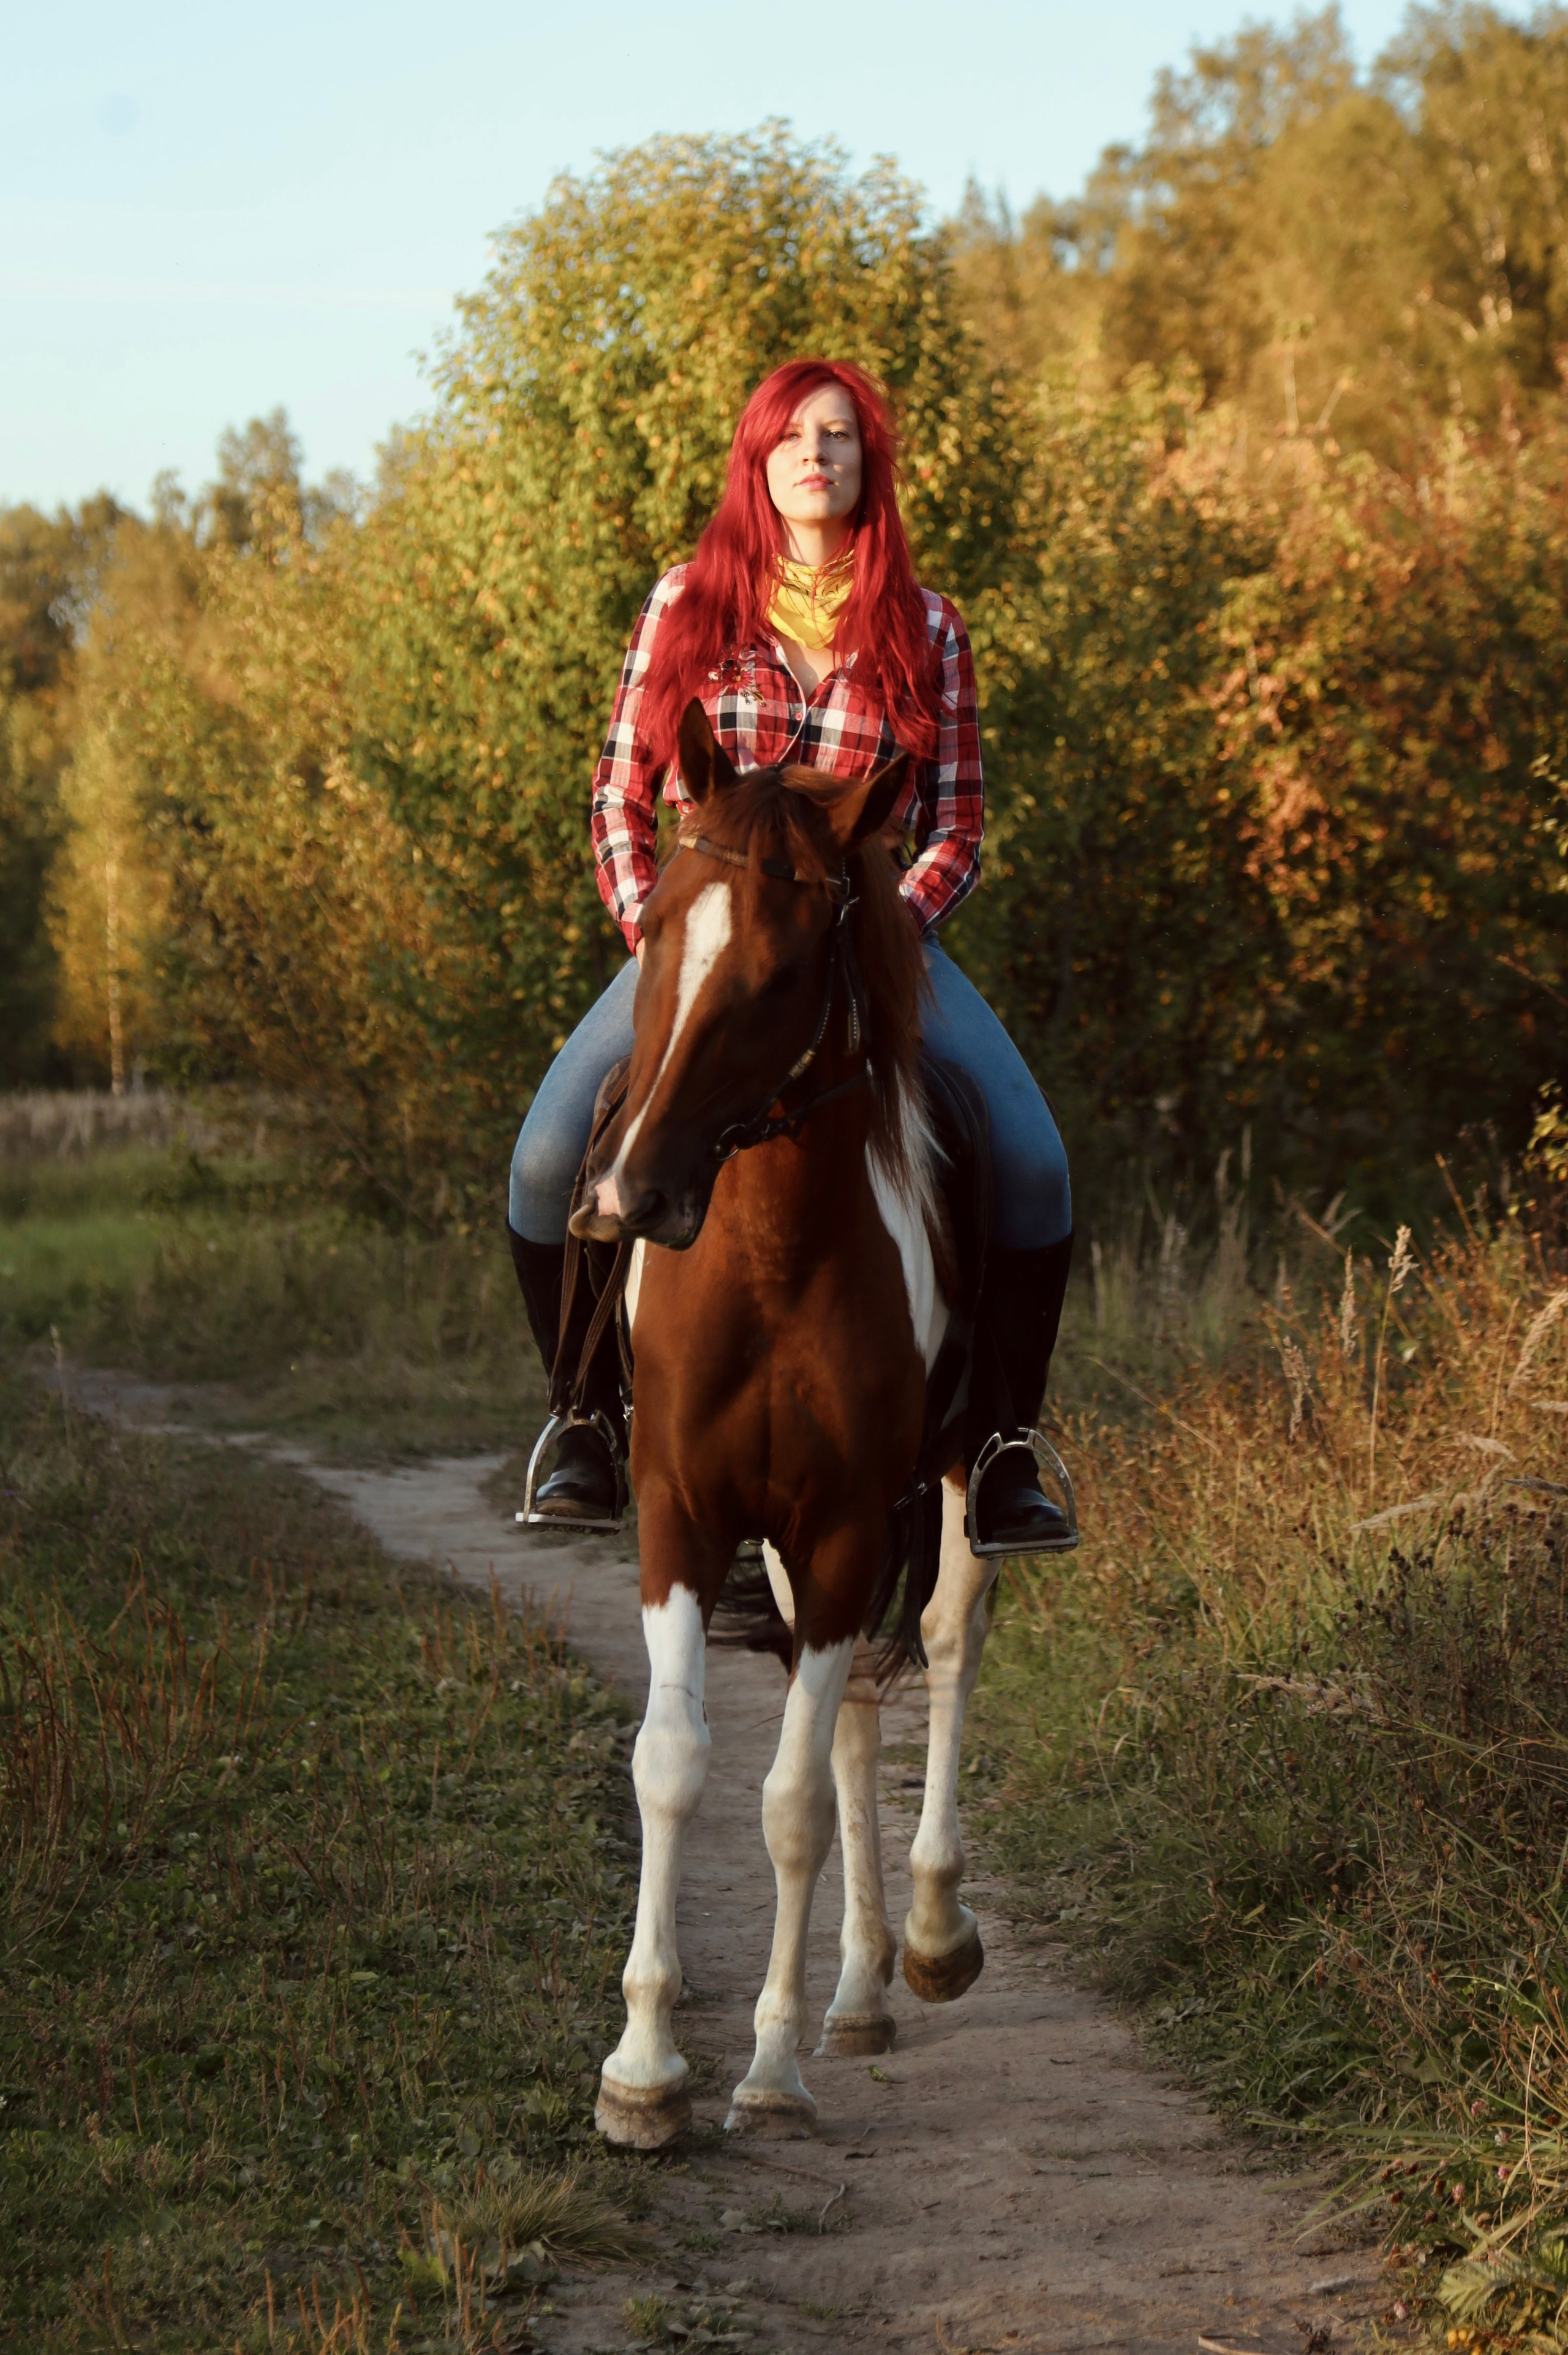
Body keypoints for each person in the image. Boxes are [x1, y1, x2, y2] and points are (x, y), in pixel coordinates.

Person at [507, 358, 1073, 1551]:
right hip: (706, 945)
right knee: (548, 1150)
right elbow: (619, 797)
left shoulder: (929, 627)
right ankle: (583, 1418)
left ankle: (1004, 1444)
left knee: (1030, 1160)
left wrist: (878, 939)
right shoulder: (682, 605)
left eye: (838, 435)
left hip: (872, 947)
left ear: (868, 461)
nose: (814, 454)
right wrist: (660, 941)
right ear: (756, 463)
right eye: (790, 438)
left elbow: (956, 827)